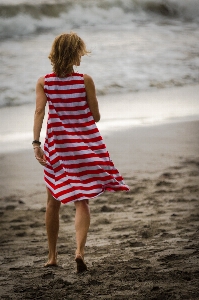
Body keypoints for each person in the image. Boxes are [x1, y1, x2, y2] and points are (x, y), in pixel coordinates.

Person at [33, 32, 129, 273]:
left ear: (54, 54)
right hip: (85, 145)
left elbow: (39, 113)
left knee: (53, 201)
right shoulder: (85, 80)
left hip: (58, 146)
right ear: (76, 54)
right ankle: (79, 252)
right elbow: (95, 116)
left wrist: (36, 143)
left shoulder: (44, 82)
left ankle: (53, 256)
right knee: (81, 200)